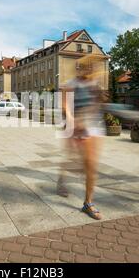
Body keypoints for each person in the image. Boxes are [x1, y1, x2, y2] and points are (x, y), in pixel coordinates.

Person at [57, 55, 107, 220]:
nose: (89, 70)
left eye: (92, 67)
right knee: (72, 158)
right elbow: (65, 104)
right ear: (80, 68)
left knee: (91, 165)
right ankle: (62, 179)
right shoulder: (71, 84)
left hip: (93, 126)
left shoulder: (95, 85)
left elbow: (98, 104)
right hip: (75, 126)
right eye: (86, 67)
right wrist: (72, 119)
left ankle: (88, 202)